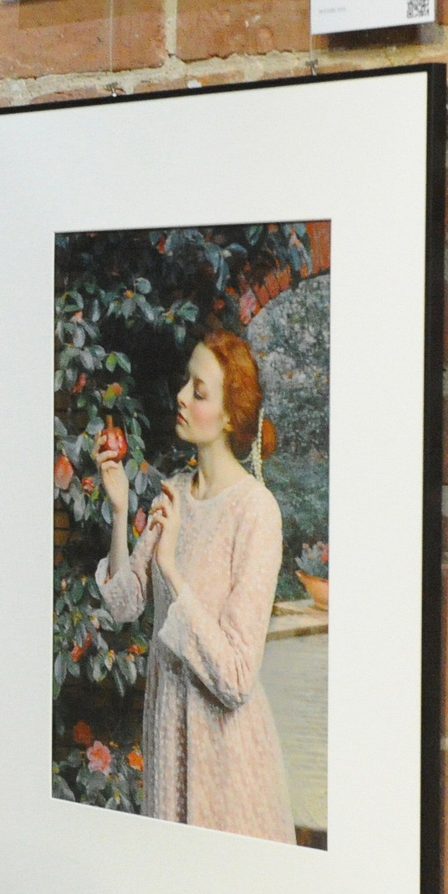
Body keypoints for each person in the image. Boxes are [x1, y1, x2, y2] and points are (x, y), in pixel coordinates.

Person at [93, 327, 293, 843]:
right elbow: (124, 604)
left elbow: (235, 676)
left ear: (230, 415)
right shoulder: (177, 490)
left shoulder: (256, 512)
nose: (181, 396)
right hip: (169, 733)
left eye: (198, 391)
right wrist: (119, 511)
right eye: (187, 384)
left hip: (225, 755)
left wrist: (173, 569)